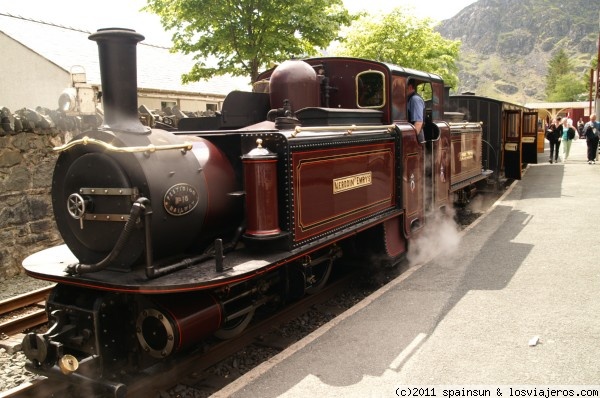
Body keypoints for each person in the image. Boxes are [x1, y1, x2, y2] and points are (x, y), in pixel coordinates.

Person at [406, 79, 425, 143]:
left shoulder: (415, 99)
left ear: (410, 87)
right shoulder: (409, 99)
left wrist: (411, 141)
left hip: (416, 138)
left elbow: (418, 122)